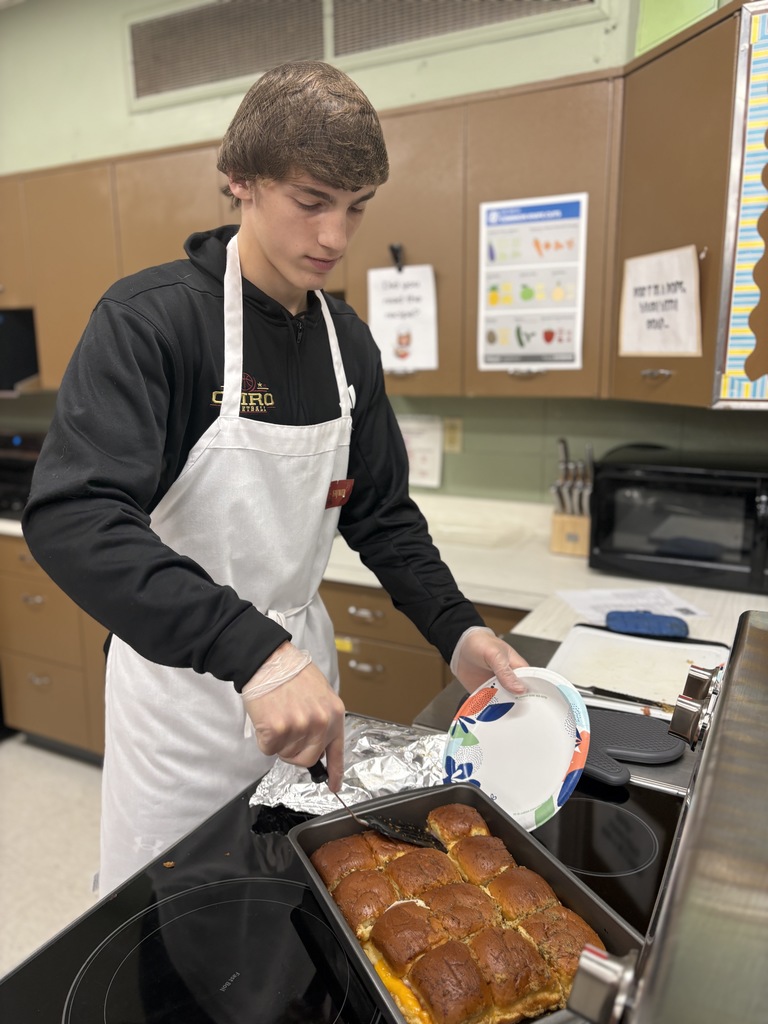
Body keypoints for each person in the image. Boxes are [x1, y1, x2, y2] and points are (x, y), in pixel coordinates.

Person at [22, 60, 528, 896]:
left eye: (356, 208)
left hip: (302, 676)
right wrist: (251, 652)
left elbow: (382, 514)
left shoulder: (345, 342)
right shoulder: (151, 324)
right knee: (175, 917)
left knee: (292, 908)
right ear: (241, 182)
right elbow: (74, 518)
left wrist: (456, 629)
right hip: (182, 695)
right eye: (312, 201)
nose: (335, 235)